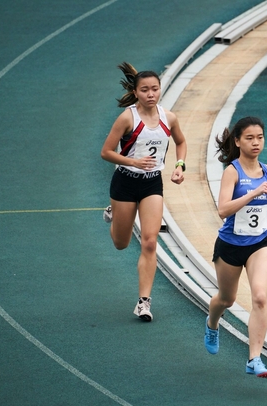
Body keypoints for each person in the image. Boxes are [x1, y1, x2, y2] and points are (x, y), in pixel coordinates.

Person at [204, 116, 267, 378]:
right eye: (249, 138)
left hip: (260, 243)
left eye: (260, 138)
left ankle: (254, 358)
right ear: (237, 141)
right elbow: (223, 210)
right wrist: (252, 194)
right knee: (226, 299)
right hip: (231, 244)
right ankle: (212, 324)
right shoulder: (232, 172)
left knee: (260, 297)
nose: (256, 143)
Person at [100, 62, 187, 322]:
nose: (151, 94)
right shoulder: (127, 118)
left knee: (150, 241)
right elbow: (106, 152)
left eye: (155, 89)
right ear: (136, 92)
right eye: (145, 90)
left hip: (152, 184)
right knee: (121, 243)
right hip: (125, 181)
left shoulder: (168, 118)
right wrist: (132, 162)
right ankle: (114, 212)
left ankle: (144, 302)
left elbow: (181, 142)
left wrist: (180, 166)